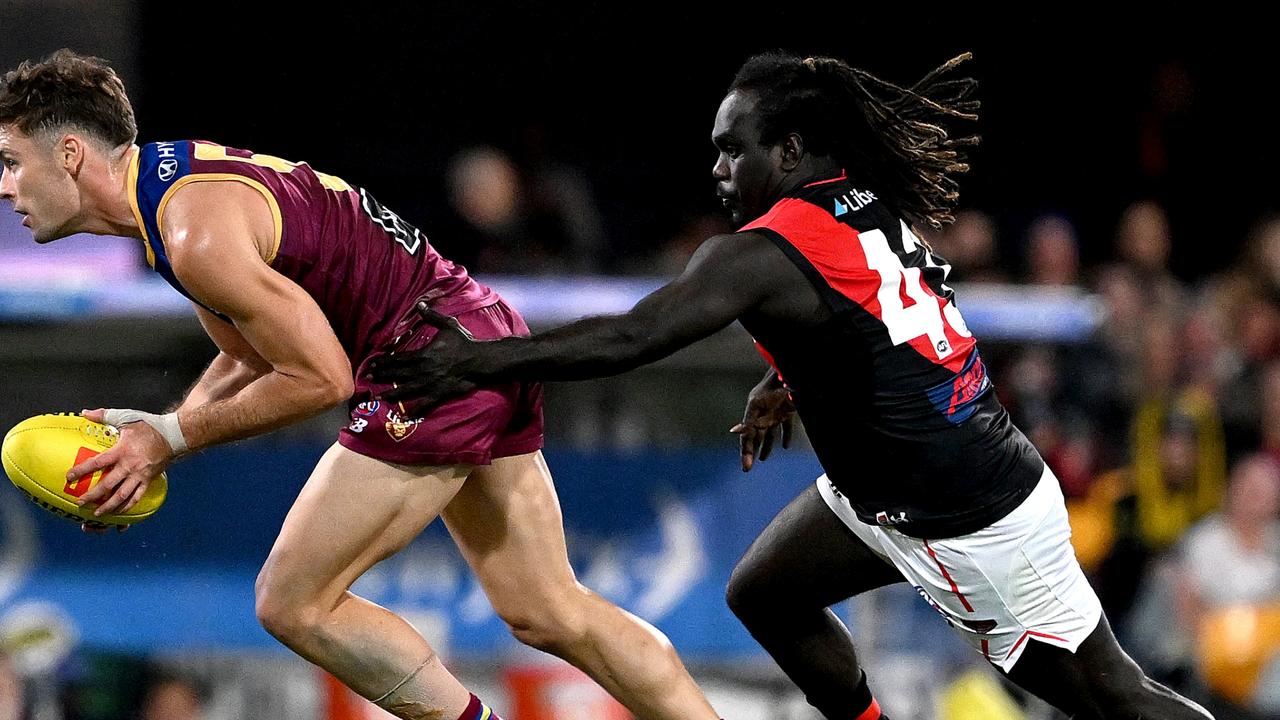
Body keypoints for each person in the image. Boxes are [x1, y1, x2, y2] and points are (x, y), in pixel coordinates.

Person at [370, 51, 1214, 720]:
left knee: (1112, 699)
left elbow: (635, 336)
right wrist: (787, 375)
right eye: (713, 153)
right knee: (766, 594)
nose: (719, 170)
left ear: (793, 151)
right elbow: (877, 318)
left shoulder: (760, 254)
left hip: (974, 522)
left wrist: (473, 361)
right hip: (894, 498)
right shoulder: (859, 203)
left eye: (735, 149)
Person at [0, 49, 722, 720]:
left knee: (293, 602)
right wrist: (162, 430)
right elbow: (253, 351)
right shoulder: (172, 192)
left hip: (428, 364)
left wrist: (172, 439)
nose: (5, 189)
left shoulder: (193, 233)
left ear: (69, 155)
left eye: (11, 162)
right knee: (547, 608)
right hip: (477, 334)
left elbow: (317, 378)